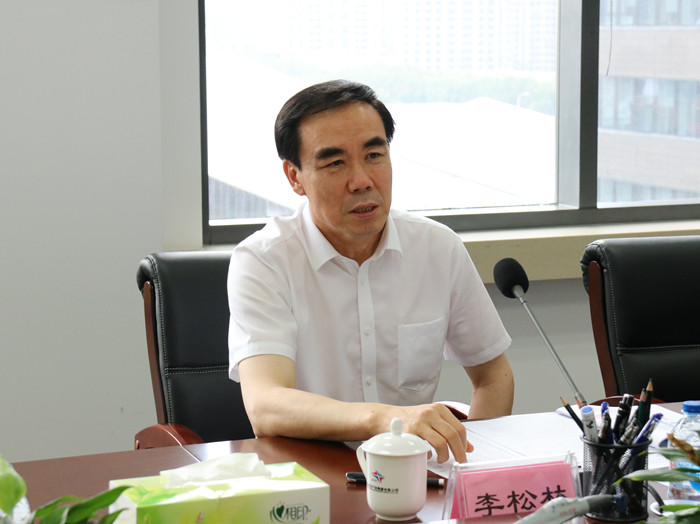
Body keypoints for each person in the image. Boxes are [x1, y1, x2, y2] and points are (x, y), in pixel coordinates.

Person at [228, 80, 514, 464]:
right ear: (295, 177)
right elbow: (266, 405)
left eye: (374, 155)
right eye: (335, 163)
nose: (362, 181)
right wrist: (386, 419)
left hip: (413, 477)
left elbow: (493, 377)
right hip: (311, 480)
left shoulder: (437, 248)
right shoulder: (264, 261)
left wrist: (474, 467)